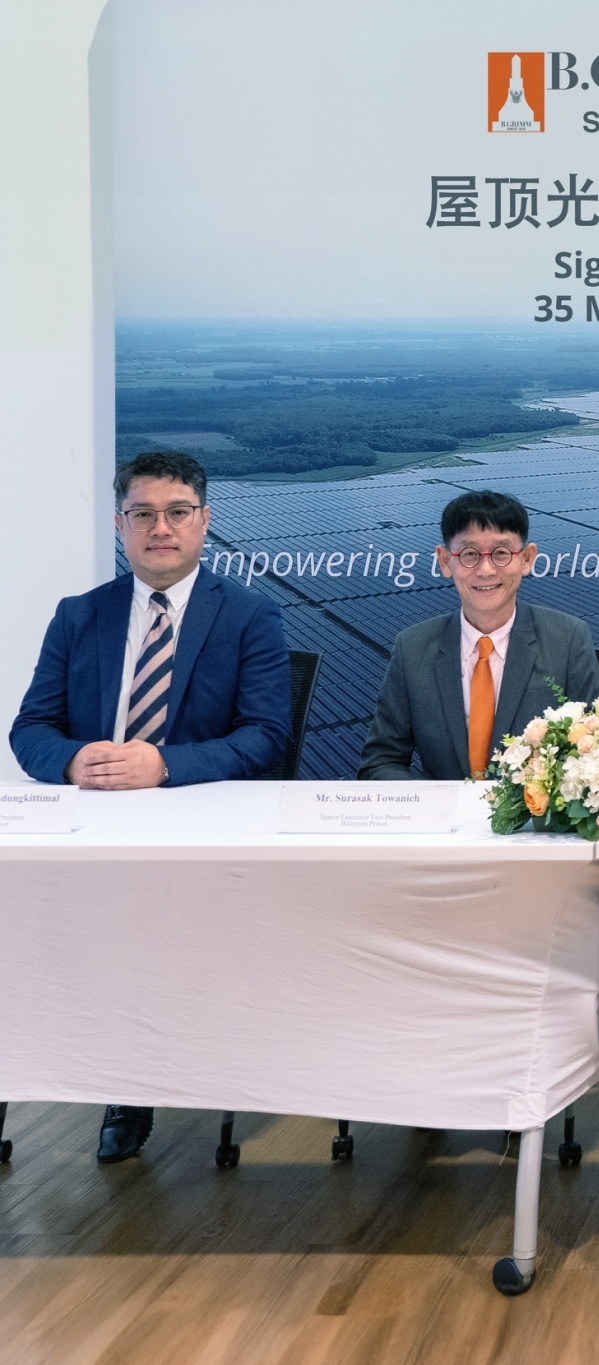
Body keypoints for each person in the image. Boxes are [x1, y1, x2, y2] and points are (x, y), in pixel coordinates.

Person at [10, 450, 291, 1164]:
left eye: (177, 512)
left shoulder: (250, 616)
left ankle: (130, 1086)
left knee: (145, 928)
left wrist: (164, 765)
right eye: (142, 513)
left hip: (198, 829)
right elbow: (30, 728)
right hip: (92, 826)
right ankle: (26, 1065)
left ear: (204, 520)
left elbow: (267, 735)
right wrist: (73, 760)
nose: (160, 527)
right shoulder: (80, 615)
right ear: (120, 525)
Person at [358, 490, 599, 780]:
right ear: (445, 561)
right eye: (469, 555)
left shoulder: (567, 639)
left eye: (501, 553)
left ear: (526, 558)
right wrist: (432, 804)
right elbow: (380, 761)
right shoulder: (412, 647)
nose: (486, 570)